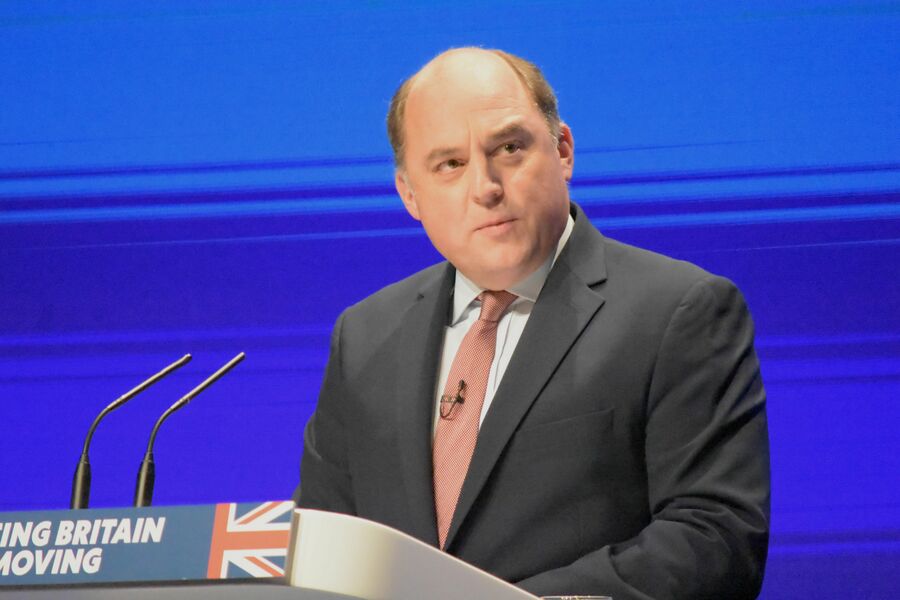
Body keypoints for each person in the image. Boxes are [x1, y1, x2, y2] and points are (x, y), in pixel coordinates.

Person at [295, 47, 770, 599]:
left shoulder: (677, 311)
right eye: (450, 164)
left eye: (509, 148)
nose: (485, 187)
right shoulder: (365, 336)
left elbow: (714, 541)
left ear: (562, 150)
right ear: (409, 194)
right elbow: (321, 550)